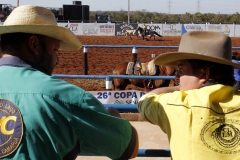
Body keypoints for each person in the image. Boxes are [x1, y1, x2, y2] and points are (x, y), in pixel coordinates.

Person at [0, 5, 138, 160]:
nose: (57, 60)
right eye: (55, 50)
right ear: (34, 44)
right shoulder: (65, 97)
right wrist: (112, 114)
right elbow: (129, 148)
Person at [138, 31, 240, 159]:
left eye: (180, 70)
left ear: (204, 74)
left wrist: (180, 88)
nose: (177, 77)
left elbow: (145, 100)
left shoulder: (175, 104)